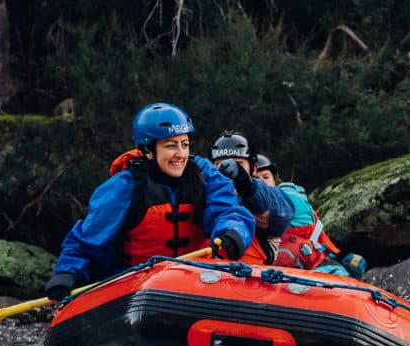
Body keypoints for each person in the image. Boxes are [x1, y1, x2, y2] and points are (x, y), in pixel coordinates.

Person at [42, 104, 256, 301]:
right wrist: (67, 273)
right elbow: (88, 239)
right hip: (133, 286)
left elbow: (228, 209)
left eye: (185, 145)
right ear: (147, 151)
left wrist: (232, 230)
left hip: (195, 281)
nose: (180, 154)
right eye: (171, 146)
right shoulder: (124, 187)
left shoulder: (203, 173)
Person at [251, 153, 367, 279]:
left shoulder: (288, 198)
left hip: (316, 266)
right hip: (294, 268)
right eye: (256, 178)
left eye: (266, 177)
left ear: (275, 180)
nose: (261, 182)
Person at [208, 132, 294, 263]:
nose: (227, 170)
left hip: (247, 276)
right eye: (219, 164)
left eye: (238, 164)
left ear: (253, 168)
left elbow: (282, 214)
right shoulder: (205, 194)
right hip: (203, 274)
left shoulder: (271, 195)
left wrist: (247, 186)